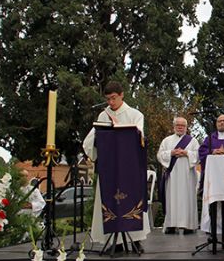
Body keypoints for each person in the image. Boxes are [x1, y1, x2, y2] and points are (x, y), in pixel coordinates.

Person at [82, 81, 150, 250]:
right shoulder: (103, 116)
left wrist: (121, 131)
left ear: (122, 95)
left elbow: (139, 137)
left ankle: (135, 239)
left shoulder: (135, 114)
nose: (111, 103)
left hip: (129, 167)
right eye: (108, 99)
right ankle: (115, 240)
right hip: (110, 168)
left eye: (113, 98)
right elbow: (90, 141)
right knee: (109, 201)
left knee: (132, 200)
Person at [157, 116, 200, 234]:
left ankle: (188, 225)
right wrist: (172, 152)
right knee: (172, 198)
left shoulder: (193, 141)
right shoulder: (167, 140)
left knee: (187, 198)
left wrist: (186, 153)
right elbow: (160, 155)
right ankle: (171, 224)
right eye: (178, 125)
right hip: (173, 175)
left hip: (187, 175)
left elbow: (198, 155)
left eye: (182, 125)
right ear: (174, 127)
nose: (180, 127)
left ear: (186, 127)